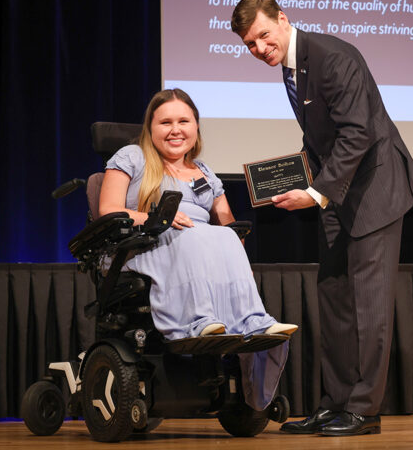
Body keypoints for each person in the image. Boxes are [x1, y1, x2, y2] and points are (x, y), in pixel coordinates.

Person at [231, 0, 413, 435]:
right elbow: (322, 138)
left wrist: (316, 193)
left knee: (370, 306)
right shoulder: (292, 66)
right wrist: (291, 179)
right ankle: (334, 403)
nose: (259, 48)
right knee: (334, 299)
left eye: (263, 35)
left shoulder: (333, 58)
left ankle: (363, 410)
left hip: (375, 190)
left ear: (282, 19)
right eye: (249, 45)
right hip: (340, 195)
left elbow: (359, 133)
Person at [98, 87, 297, 411]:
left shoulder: (204, 172)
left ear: (196, 127)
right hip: (145, 245)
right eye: (165, 122)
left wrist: (239, 250)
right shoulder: (132, 157)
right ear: (150, 127)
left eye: (183, 121)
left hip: (199, 245)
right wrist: (154, 217)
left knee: (225, 236)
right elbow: (109, 209)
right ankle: (196, 321)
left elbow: (227, 222)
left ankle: (253, 322)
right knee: (196, 236)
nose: (175, 129)